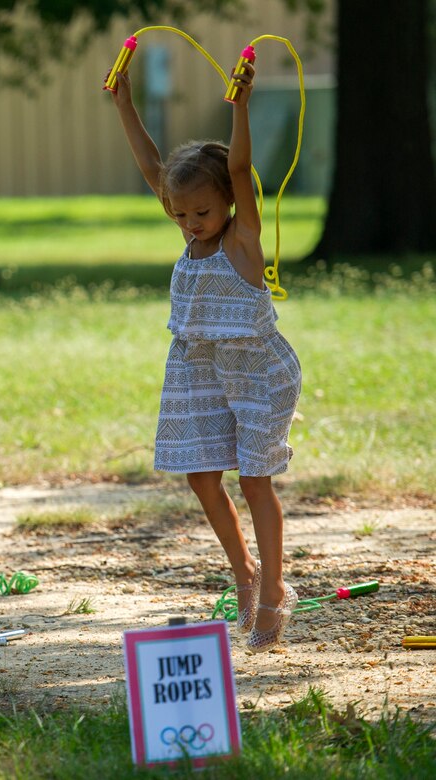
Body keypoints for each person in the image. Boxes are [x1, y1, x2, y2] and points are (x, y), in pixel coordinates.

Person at [106, 60, 301, 652]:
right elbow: (152, 167)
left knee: (255, 479)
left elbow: (239, 167)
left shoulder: (241, 241)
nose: (190, 224)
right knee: (200, 474)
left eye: (202, 212)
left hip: (256, 371)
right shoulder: (191, 232)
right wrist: (124, 104)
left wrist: (239, 106)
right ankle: (242, 575)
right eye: (180, 214)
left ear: (229, 207)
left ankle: (272, 593)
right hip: (198, 365)